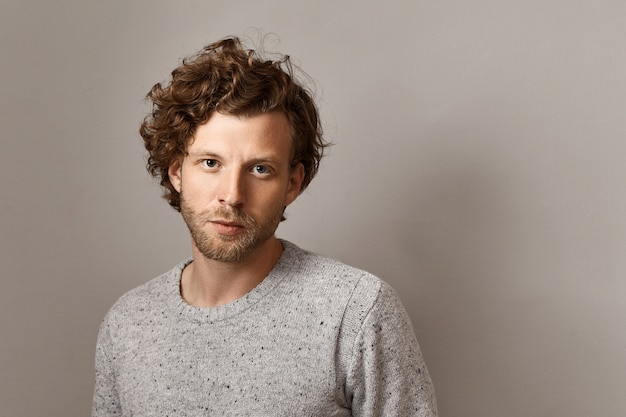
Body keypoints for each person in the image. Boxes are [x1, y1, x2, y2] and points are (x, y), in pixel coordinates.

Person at [92, 36, 438, 417]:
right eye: (210, 163)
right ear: (177, 172)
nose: (232, 195)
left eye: (260, 169)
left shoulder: (357, 312)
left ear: (291, 183)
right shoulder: (127, 324)